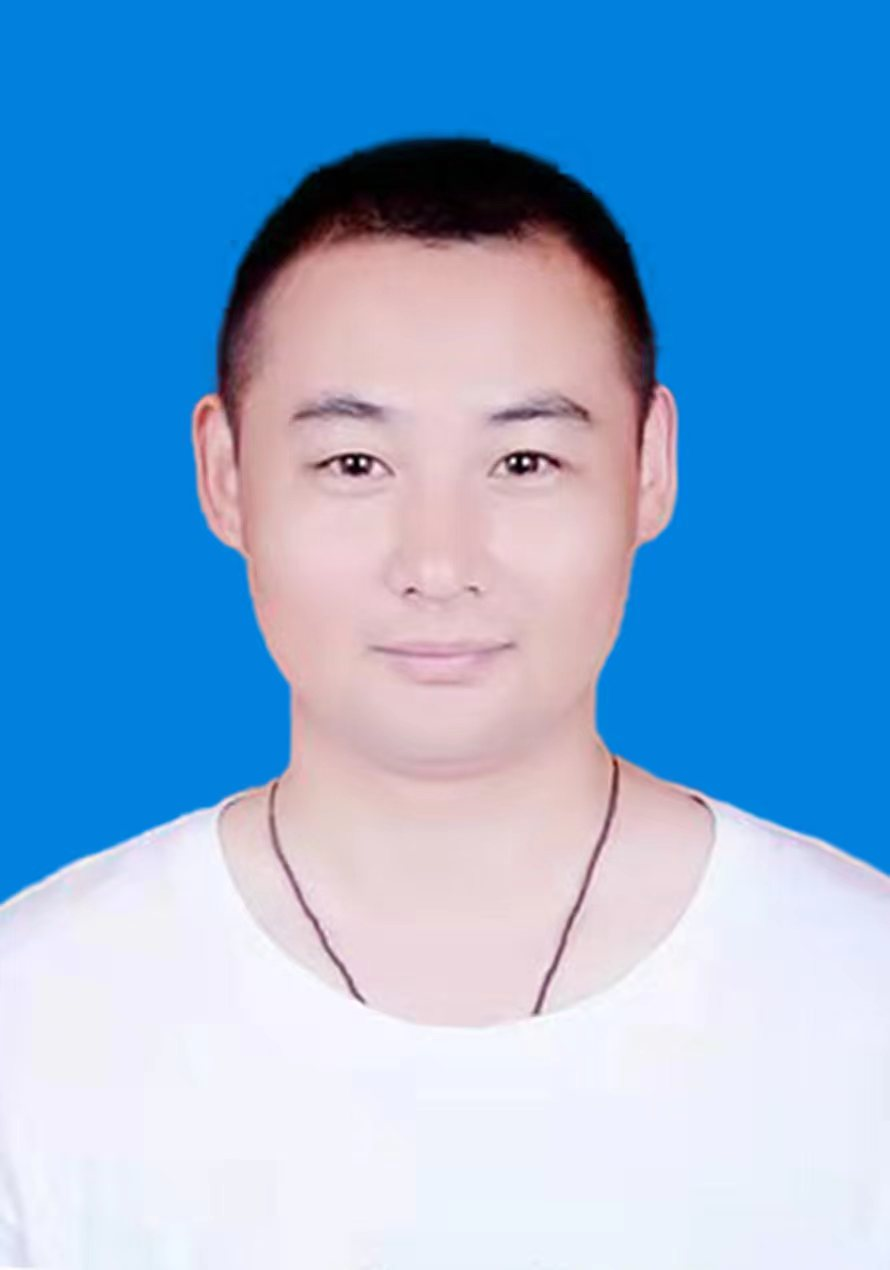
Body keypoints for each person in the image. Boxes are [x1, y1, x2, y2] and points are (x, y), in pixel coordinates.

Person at [1, 136, 888, 1269]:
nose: (437, 562)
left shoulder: (861, 997)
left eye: (523, 464)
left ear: (650, 465)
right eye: (354, 465)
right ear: (224, 474)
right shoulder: (35, 1018)